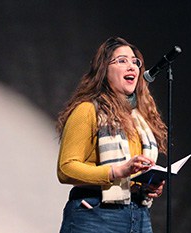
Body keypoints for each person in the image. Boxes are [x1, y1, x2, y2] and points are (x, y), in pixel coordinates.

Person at [56, 36, 167, 233]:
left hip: (138, 213)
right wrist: (117, 172)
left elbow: (133, 174)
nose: (132, 66)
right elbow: (66, 169)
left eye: (135, 62)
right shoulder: (87, 110)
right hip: (95, 212)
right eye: (122, 61)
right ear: (104, 70)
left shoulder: (139, 118)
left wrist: (149, 185)